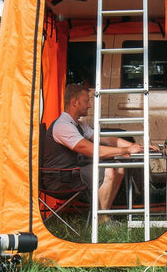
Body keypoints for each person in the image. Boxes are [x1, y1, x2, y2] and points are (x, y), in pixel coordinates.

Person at [41, 83, 153, 220]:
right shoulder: (63, 126)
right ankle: (102, 220)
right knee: (109, 171)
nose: (89, 105)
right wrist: (126, 150)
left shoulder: (78, 124)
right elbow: (93, 151)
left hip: (74, 173)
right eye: (86, 101)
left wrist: (139, 147)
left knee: (119, 168)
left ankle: (102, 217)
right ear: (74, 102)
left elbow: (107, 140)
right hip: (60, 180)